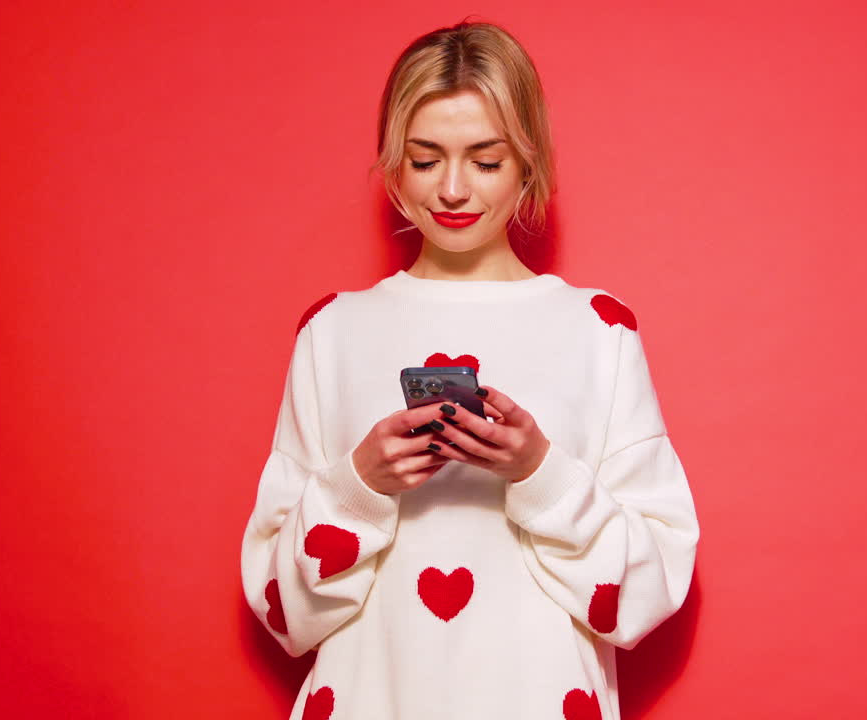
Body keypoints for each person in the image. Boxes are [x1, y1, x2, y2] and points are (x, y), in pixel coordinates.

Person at [239, 19, 700, 720]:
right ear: (391, 163)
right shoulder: (331, 332)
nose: (453, 189)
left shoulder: (599, 329)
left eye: (485, 161)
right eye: (425, 160)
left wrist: (540, 473)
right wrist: (359, 483)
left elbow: (651, 588)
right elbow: (283, 611)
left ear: (528, 163)